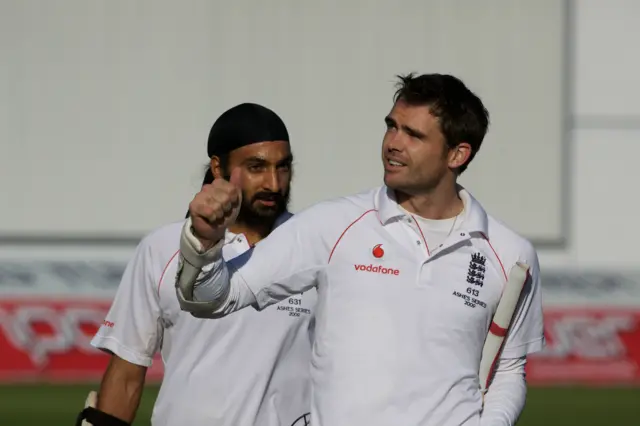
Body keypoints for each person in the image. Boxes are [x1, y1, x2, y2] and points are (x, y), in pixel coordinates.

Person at [176, 73, 545, 426]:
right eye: (391, 126)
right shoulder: (333, 225)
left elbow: (509, 369)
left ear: (457, 154)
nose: (393, 143)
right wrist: (205, 242)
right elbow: (212, 298)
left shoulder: (510, 255)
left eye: (413, 134)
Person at [77, 103, 316, 426]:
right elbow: (127, 375)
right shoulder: (160, 249)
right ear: (218, 168)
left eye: (283, 167)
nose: (274, 184)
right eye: (257, 167)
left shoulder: (316, 244)